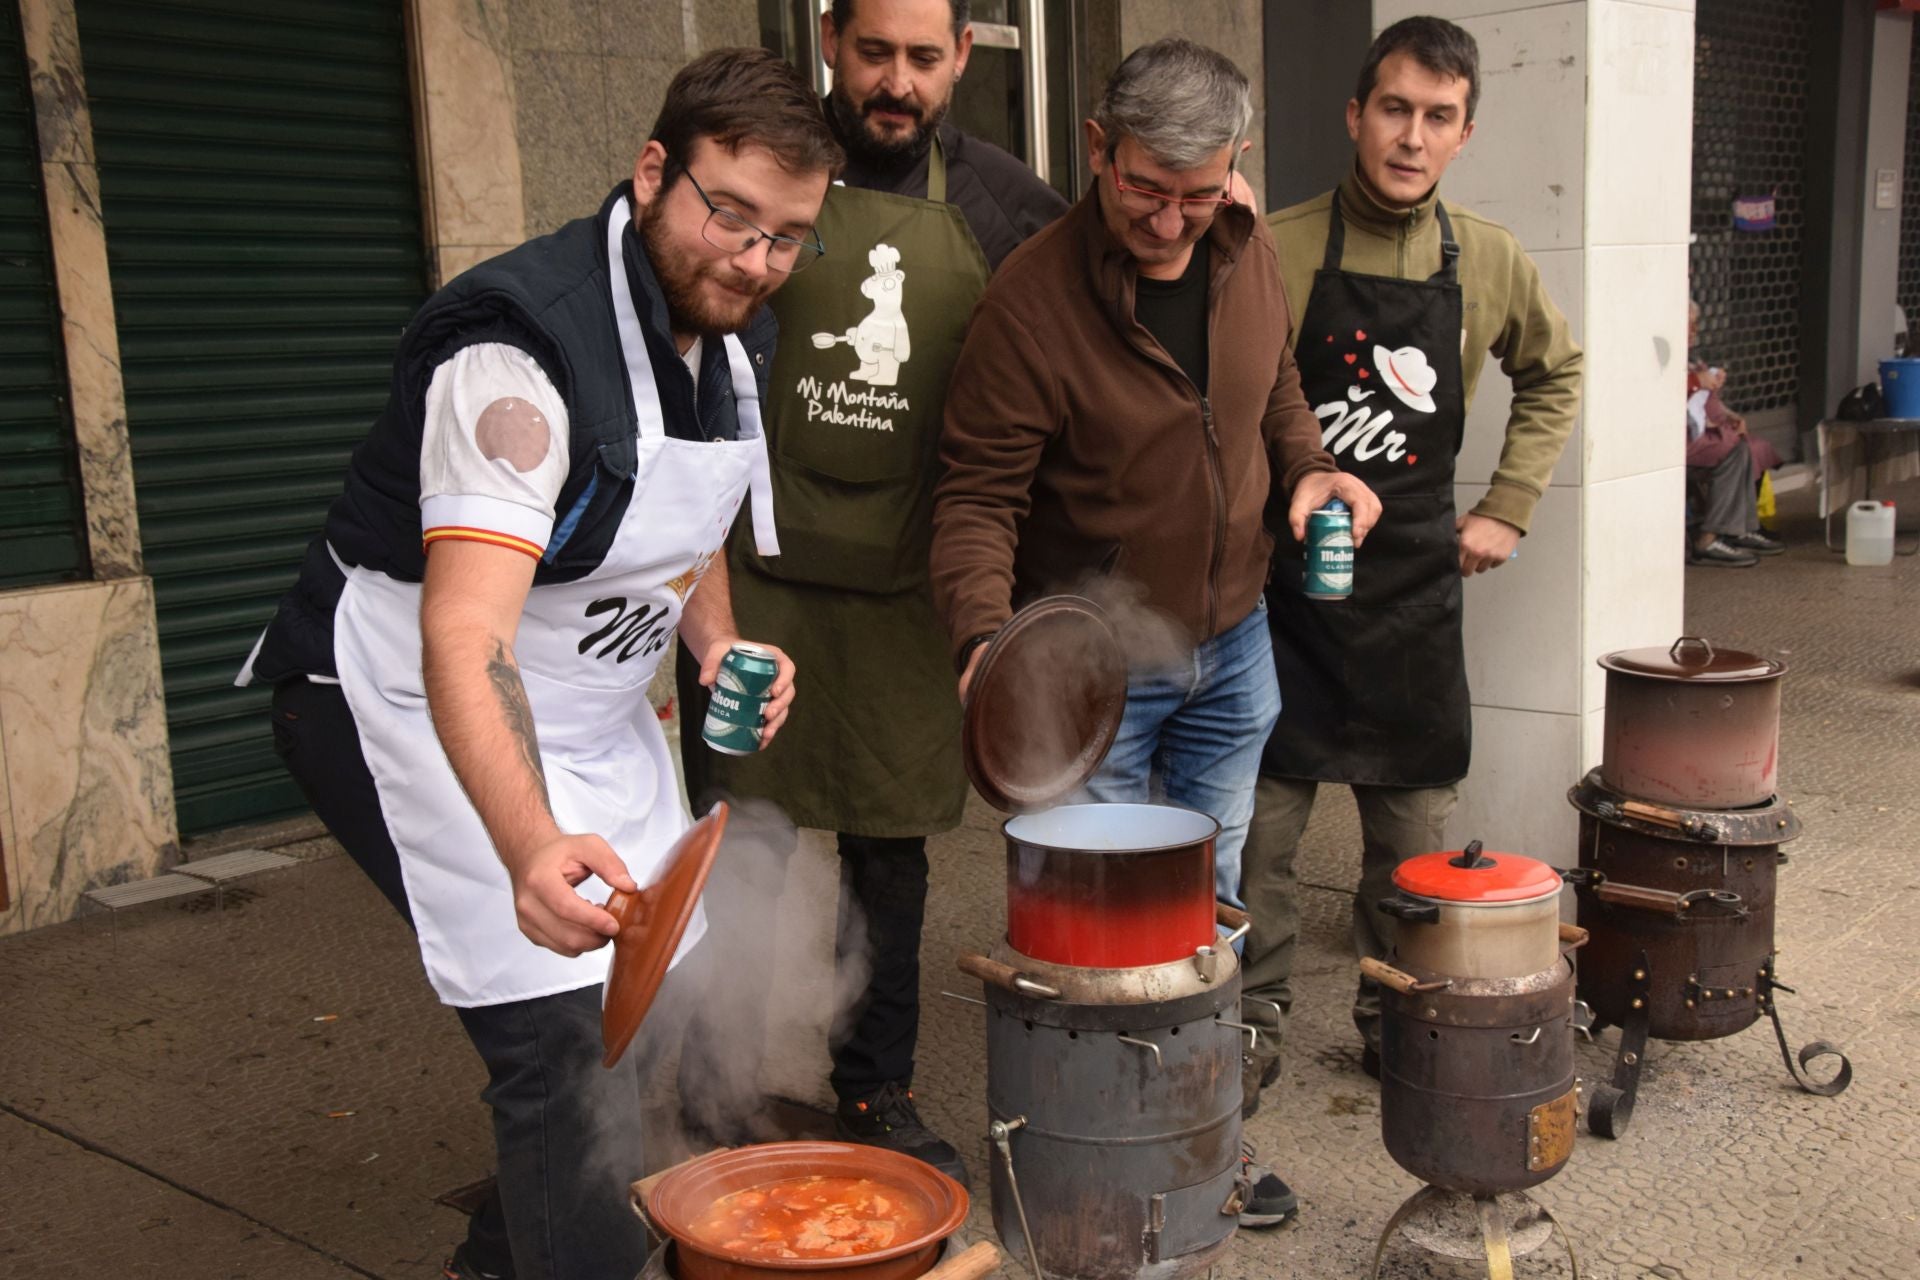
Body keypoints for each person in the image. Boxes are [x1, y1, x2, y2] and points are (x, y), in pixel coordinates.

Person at [239, 49, 838, 1280]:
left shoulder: (733, 335)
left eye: (787, 238)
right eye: (730, 214)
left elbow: (687, 510)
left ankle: (504, 1251)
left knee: (660, 992)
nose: (754, 260)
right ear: (654, 171)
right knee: (563, 1042)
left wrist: (715, 635)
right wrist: (526, 846)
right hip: (405, 693)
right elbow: (465, 635)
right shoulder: (513, 362)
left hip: (592, 702)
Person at [930, 36, 1380, 1229]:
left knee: (1208, 907)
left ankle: (1196, 1143)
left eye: (1198, 191)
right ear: (1096, 149)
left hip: (1235, 647)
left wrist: (1314, 469)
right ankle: (1092, 1164)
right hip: (1095, 680)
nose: (1172, 221)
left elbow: (1274, 383)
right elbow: (976, 500)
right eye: (1144, 188)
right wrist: (985, 638)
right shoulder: (1029, 302)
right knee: (1100, 938)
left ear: (1234, 165)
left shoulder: (1250, 252)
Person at [672, 0, 1066, 1184]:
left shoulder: (1006, 205)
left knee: (891, 860)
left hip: (909, 590)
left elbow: (1116, 276)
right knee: (741, 834)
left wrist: (1227, 222)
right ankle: (709, 1079)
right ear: (832, 42)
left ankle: (874, 1082)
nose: (898, 81)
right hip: (756, 582)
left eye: (924, 58)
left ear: (960, 61)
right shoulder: (769, 172)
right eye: (876, 52)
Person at [1239, 16, 1583, 1114]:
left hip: (1414, 599)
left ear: (1465, 133)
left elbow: (1555, 372)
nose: (1411, 136)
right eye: (1394, 109)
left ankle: (1398, 1019)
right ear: (1355, 115)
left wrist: (1510, 506)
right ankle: (1252, 1023)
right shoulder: (1277, 247)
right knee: (1262, 840)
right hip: (1286, 596)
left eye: (1438, 117)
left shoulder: (1486, 260)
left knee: (1412, 849)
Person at [1686, 299, 1783, 565]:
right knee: (1733, 451)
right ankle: (1709, 538)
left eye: (1695, 324)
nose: (1693, 330)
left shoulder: (1693, 359)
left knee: (1748, 445)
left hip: (1697, 433)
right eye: (1688, 324)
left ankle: (1740, 528)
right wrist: (1696, 382)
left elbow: (1710, 403)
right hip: (1678, 440)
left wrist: (1729, 416)